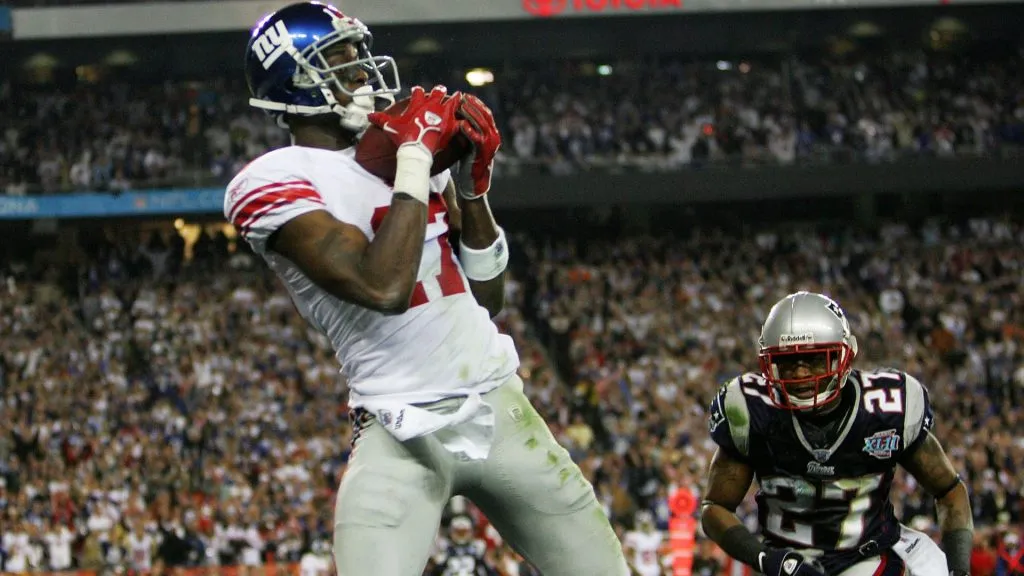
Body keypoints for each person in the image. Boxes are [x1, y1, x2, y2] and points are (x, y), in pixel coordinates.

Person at [223, 3, 628, 575]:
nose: (363, 75)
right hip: (398, 427)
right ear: (295, 81)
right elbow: (381, 284)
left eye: (360, 58)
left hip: (500, 408)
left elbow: (488, 299)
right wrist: (414, 157)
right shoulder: (272, 179)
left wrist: (472, 185)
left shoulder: (404, 154)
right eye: (340, 62)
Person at [700, 291, 974, 576]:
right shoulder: (751, 411)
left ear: (845, 356)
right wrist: (767, 559)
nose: (801, 374)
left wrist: (959, 569)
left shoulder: (886, 408)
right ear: (769, 364)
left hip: (868, 554)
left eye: (816, 359)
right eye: (788, 362)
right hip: (788, 563)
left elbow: (950, 491)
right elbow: (715, 507)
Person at [429, 515, 494, 576]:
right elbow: (436, 571)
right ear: (451, 531)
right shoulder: (445, 547)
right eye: (458, 532)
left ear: (470, 531)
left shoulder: (477, 547)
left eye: (463, 532)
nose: (461, 535)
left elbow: (488, 570)